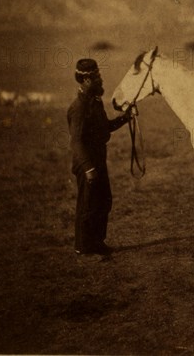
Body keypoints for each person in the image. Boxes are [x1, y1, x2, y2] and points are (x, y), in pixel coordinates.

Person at [67, 58, 133, 258]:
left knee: (103, 201)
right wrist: (88, 168)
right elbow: (76, 142)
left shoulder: (95, 103)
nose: (100, 80)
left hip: (98, 160)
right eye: (96, 77)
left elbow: (105, 127)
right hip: (87, 162)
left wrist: (125, 117)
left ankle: (97, 242)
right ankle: (83, 246)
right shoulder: (78, 107)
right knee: (87, 203)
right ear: (86, 80)